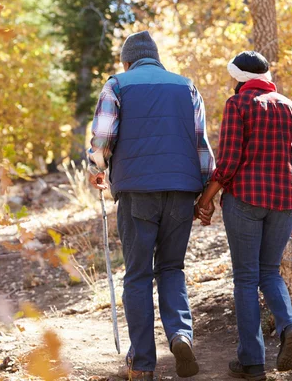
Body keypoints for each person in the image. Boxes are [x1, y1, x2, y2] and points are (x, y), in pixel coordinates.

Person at [87, 30, 215, 380]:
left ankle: (142, 363)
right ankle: (180, 335)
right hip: (181, 189)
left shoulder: (117, 85)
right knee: (171, 268)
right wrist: (206, 193)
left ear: (127, 61)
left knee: (139, 274)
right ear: (156, 58)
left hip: (137, 192)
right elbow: (201, 143)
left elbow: (102, 138)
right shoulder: (186, 86)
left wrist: (95, 170)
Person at [196, 51, 292, 381]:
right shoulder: (290, 106)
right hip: (285, 201)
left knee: (245, 278)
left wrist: (206, 199)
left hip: (245, 199)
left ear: (238, 78)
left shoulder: (238, 105)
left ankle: (252, 362)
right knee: (270, 272)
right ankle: (290, 326)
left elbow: (228, 162)